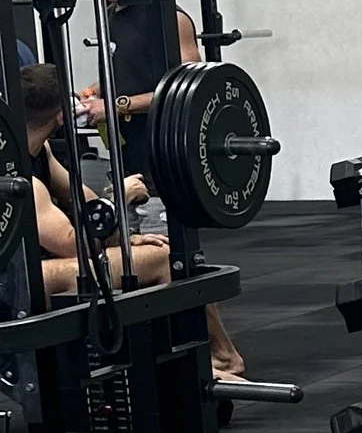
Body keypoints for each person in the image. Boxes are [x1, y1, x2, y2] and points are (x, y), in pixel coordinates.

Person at [21, 62, 248, 377]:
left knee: (160, 253)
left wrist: (123, 240)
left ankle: (178, 361)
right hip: (19, 281)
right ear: (62, 116)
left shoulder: (38, 148)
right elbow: (72, 245)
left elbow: (80, 197)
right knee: (163, 260)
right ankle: (214, 359)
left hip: (37, 263)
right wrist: (116, 201)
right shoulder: (19, 176)